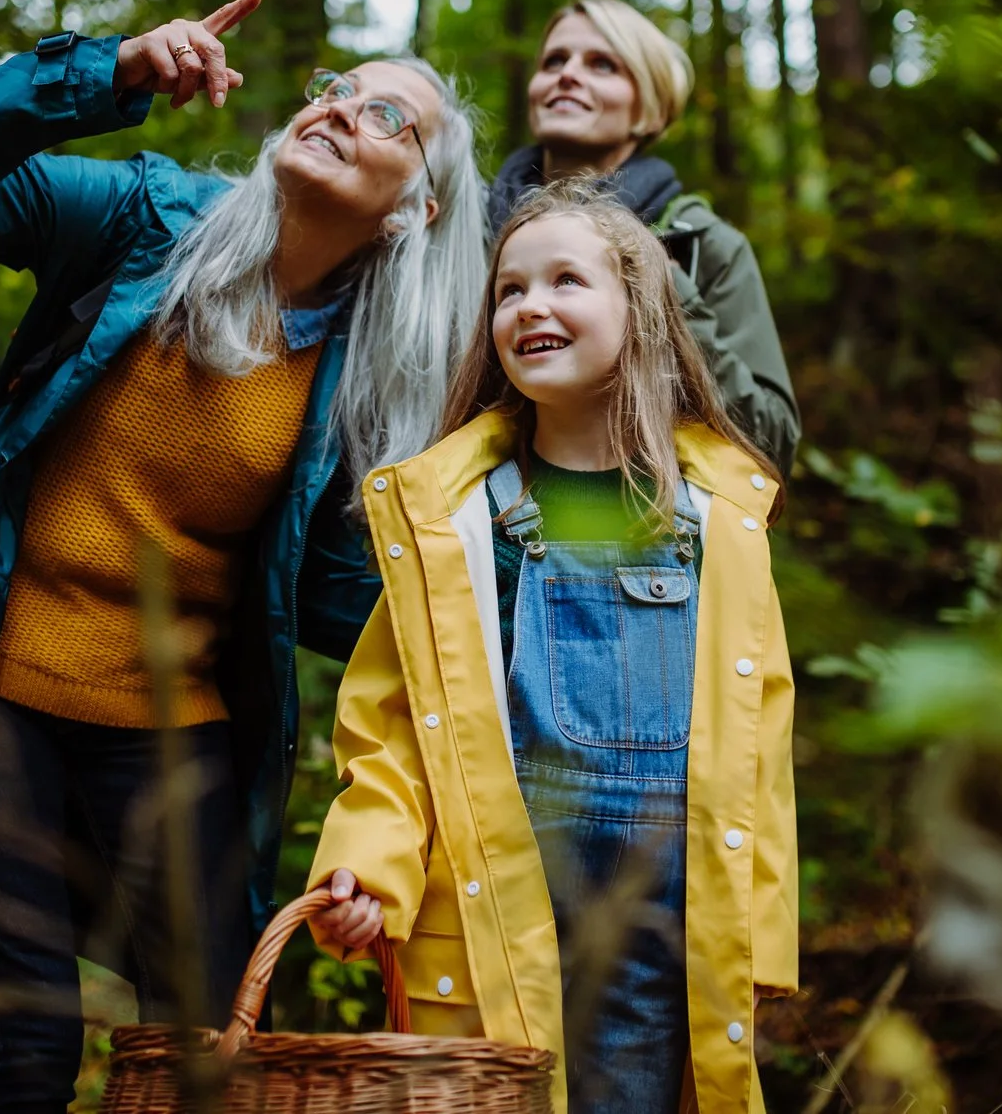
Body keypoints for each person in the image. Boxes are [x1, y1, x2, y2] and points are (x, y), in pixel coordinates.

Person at [0, 0, 488, 1110]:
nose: (336, 109)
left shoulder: (369, 381)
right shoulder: (146, 219)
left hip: (173, 729)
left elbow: (341, 609)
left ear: (412, 210)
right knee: (31, 1044)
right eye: (333, 89)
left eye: (385, 116)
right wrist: (107, 75)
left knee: (210, 1042)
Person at [305, 182, 799, 1114]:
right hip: (492, 909)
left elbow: (759, 737)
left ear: (641, 311)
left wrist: (761, 934)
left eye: (565, 281)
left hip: (663, 928)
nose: (529, 305)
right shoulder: (452, 518)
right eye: (507, 290)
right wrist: (368, 858)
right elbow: (392, 722)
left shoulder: (718, 520)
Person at [489, 0, 800, 473]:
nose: (567, 74)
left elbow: (772, 440)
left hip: (644, 531)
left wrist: (674, 298)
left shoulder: (701, 245)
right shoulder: (468, 224)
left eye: (603, 65)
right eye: (554, 61)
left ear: (649, 112)